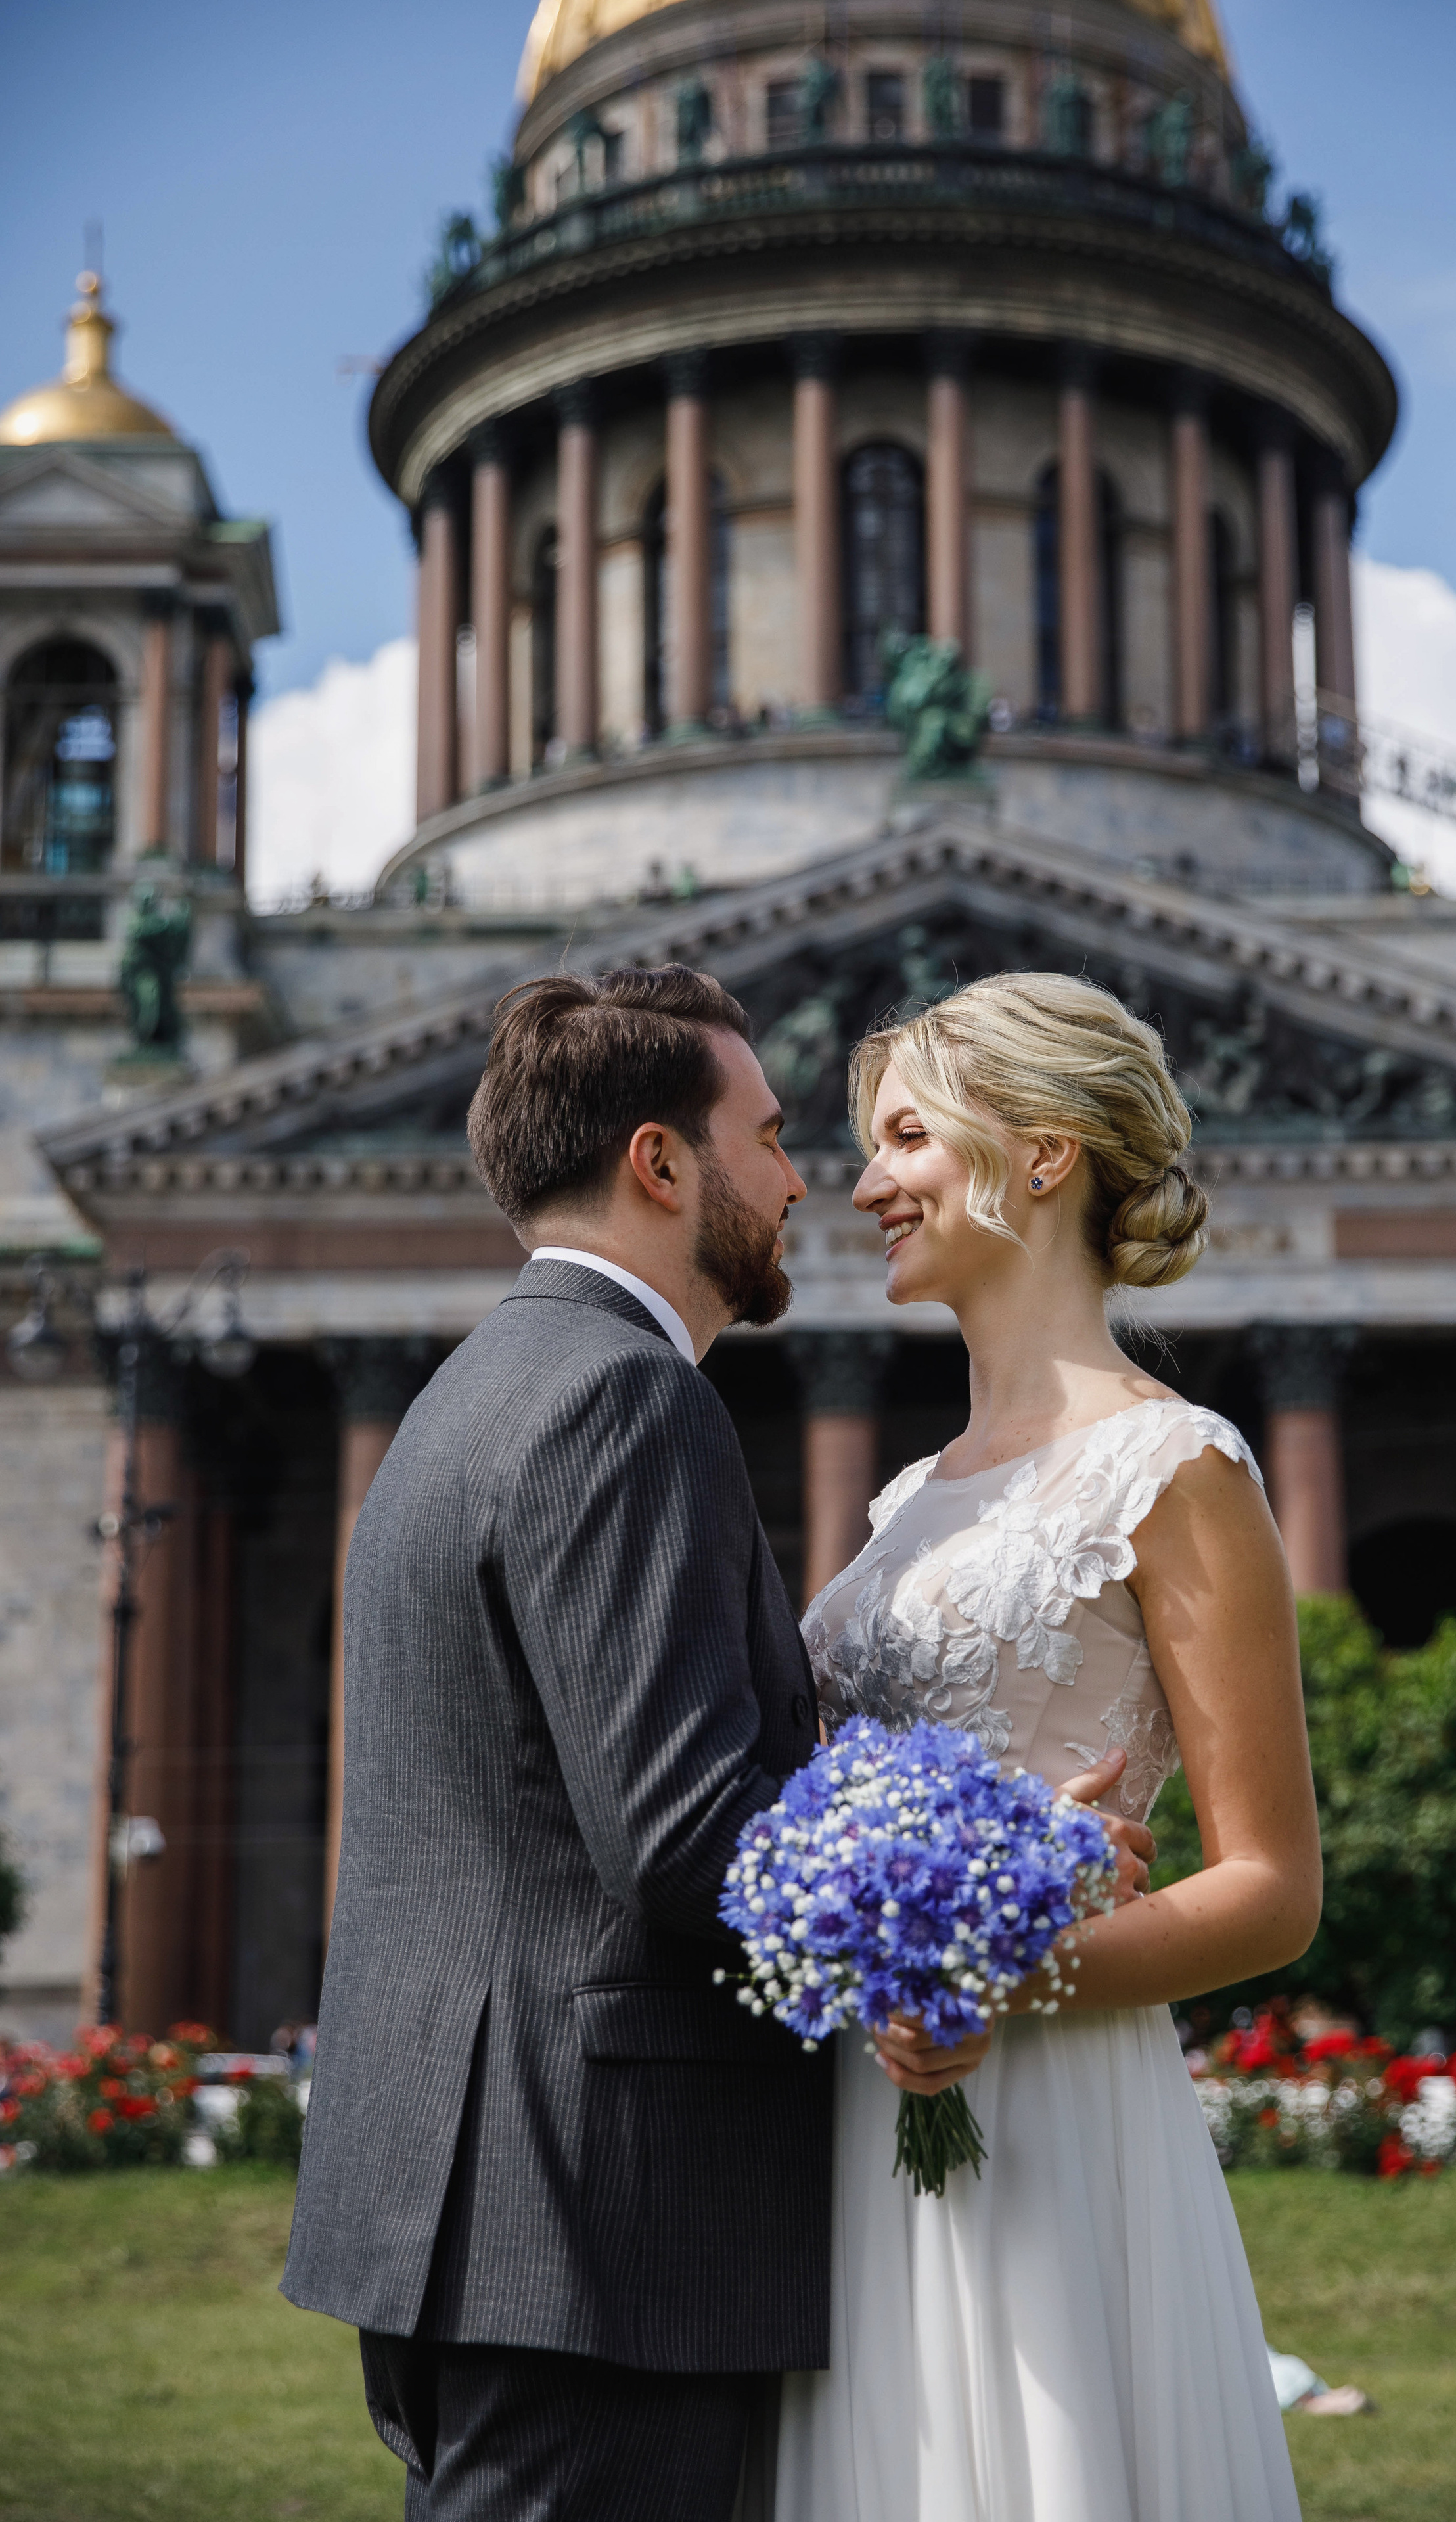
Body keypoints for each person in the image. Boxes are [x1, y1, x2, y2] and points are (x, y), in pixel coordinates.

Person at [281, 961, 1156, 2522]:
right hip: (597, 2209)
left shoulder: (470, 1391)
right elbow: (684, 1836)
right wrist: (1021, 1866)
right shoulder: (625, 1396)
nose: (804, 1173)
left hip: (474, 2191)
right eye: (763, 1131)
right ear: (660, 1163)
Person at [779, 973, 1323, 2522]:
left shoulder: (1174, 1464)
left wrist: (995, 1977)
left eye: (901, 1138)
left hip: (1048, 2111)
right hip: (860, 2101)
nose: (866, 1182)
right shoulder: (904, 1500)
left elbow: (1271, 1887)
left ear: (1038, 1155)